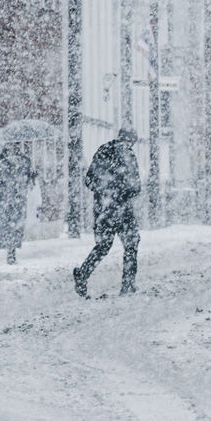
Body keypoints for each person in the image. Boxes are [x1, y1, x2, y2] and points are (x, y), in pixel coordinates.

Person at [74, 127, 142, 298]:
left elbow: (89, 180)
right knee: (131, 243)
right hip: (122, 208)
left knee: (103, 246)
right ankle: (128, 284)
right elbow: (136, 187)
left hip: (103, 208)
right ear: (131, 140)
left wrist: (104, 192)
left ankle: (83, 274)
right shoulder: (128, 155)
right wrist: (121, 193)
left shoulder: (102, 151)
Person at [0, 143, 36, 265]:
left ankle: (11, 251)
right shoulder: (16, 162)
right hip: (9, 199)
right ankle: (11, 252)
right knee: (11, 225)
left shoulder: (17, 162)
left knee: (12, 226)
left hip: (10, 199)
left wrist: (31, 177)